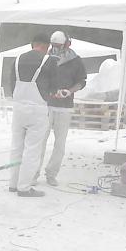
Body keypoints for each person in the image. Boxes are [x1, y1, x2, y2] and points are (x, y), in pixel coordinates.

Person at [7, 33, 58, 197]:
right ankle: (24, 187)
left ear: (32, 44)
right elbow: (54, 88)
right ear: (46, 46)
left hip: (18, 108)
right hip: (37, 109)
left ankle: (13, 184)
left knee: (16, 147)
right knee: (32, 150)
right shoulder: (49, 61)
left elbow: (11, 85)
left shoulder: (17, 59)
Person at [37, 31, 86, 186]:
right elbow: (39, 79)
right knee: (39, 141)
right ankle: (33, 173)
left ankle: (51, 173)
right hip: (46, 105)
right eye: (54, 46)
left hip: (64, 107)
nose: (56, 48)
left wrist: (69, 91)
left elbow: (81, 81)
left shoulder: (75, 61)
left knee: (60, 144)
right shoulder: (45, 58)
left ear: (67, 44)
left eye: (59, 46)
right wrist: (49, 92)